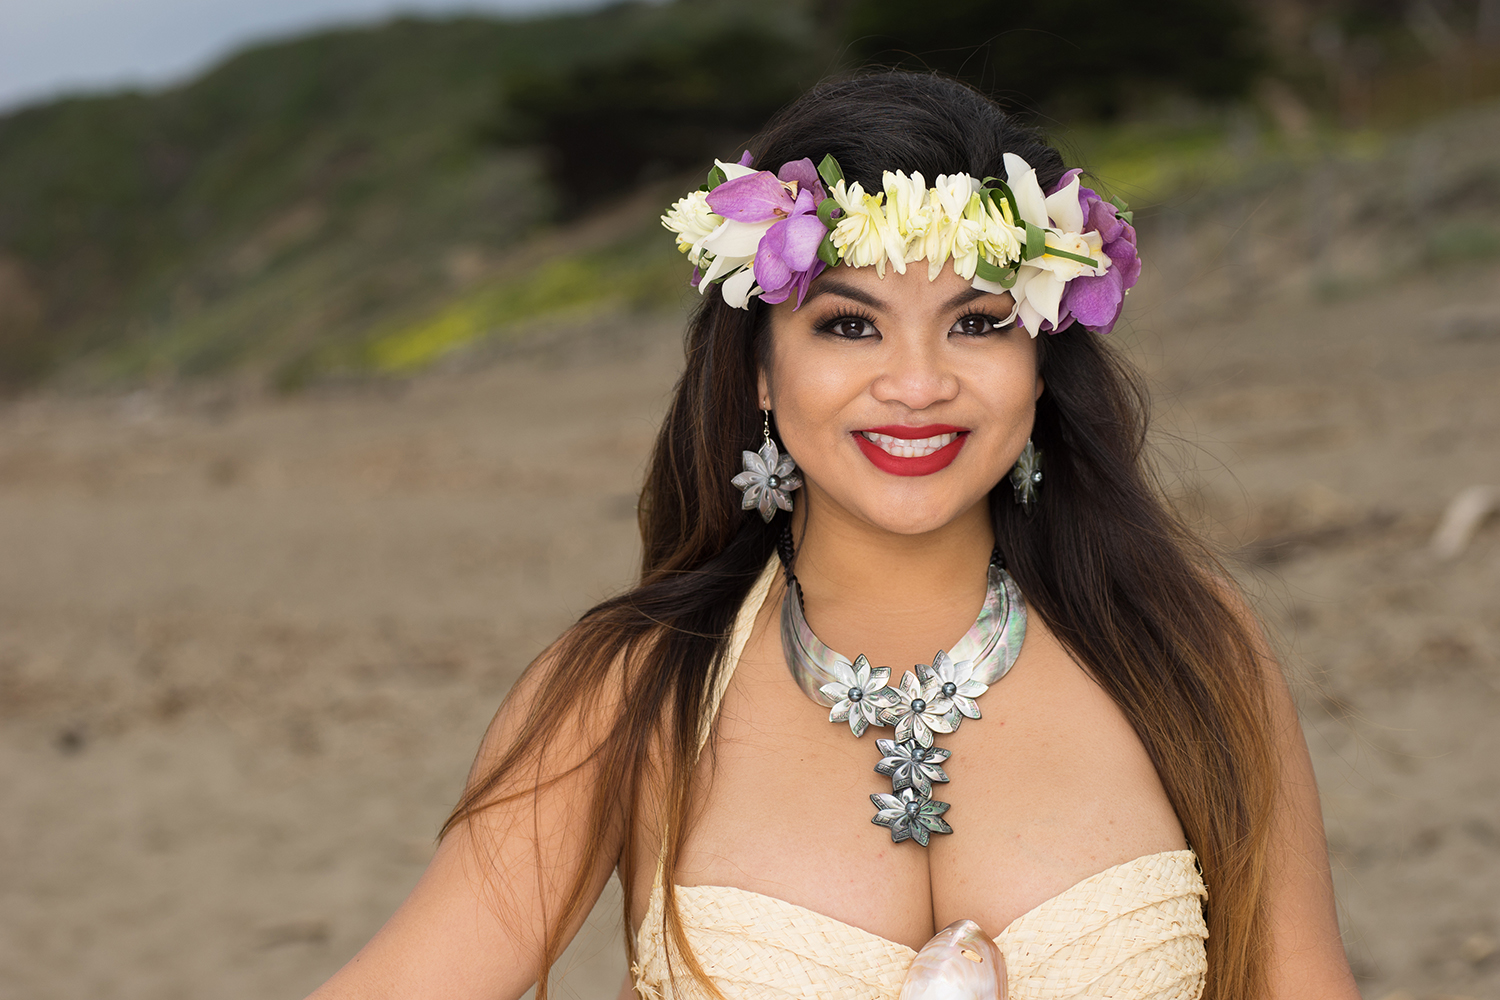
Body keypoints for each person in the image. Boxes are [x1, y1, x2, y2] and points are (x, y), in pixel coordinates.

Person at [309, 72, 1360, 1000]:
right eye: (848, 323)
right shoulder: (631, 690)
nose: (916, 385)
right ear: (762, 368)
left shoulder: (1181, 641)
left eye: (978, 321)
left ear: (1042, 360)